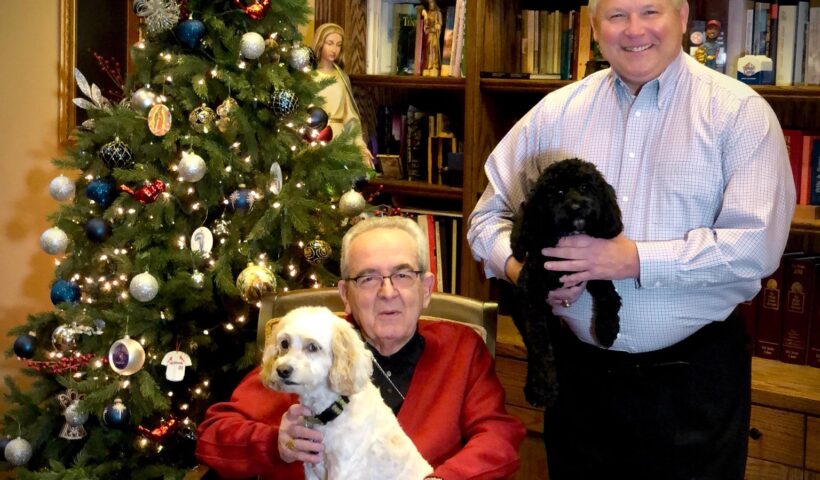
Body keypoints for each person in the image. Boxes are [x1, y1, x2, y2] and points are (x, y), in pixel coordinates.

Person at [466, 0, 795, 478]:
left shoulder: (740, 114)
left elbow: (756, 246)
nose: (634, 30)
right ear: (595, 28)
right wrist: (525, 273)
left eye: (650, 11)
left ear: (682, 18)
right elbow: (484, 219)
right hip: (577, 380)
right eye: (617, 15)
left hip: (693, 382)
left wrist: (631, 260)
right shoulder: (554, 113)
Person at [196, 215, 525, 479]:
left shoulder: (461, 348)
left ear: (426, 289)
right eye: (368, 278)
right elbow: (214, 433)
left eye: (403, 275)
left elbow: (498, 437)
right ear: (345, 294)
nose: (387, 292)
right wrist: (274, 444)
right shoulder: (310, 345)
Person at [312, 22, 372, 167]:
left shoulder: (341, 77)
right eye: (330, 43)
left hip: (340, 137)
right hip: (316, 138)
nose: (334, 49)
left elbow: (350, 116)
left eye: (338, 45)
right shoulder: (310, 76)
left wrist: (359, 144)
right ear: (320, 43)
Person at [422, 0, 443, 76]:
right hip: (430, 34)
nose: (431, 5)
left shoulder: (438, 13)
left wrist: (436, 27)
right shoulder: (428, 13)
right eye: (430, 4)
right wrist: (425, 16)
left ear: (435, 4)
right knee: (428, 48)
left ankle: (435, 65)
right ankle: (429, 65)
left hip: (435, 34)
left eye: (432, 3)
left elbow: (439, 24)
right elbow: (426, 25)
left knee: (434, 47)